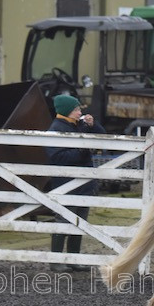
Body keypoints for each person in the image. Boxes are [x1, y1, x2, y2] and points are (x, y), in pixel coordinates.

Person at [46, 94, 106, 271]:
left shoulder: (79, 125)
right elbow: (57, 157)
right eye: (76, 109)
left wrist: (93, 125)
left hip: (82, 183)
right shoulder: (55, 129)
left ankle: (73, 259)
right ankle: (56, 261)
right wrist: (83, 151)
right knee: (64, 220)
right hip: (66, 183)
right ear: (67, 111)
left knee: (80, 221)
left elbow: (102, 136)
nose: (80, 112)